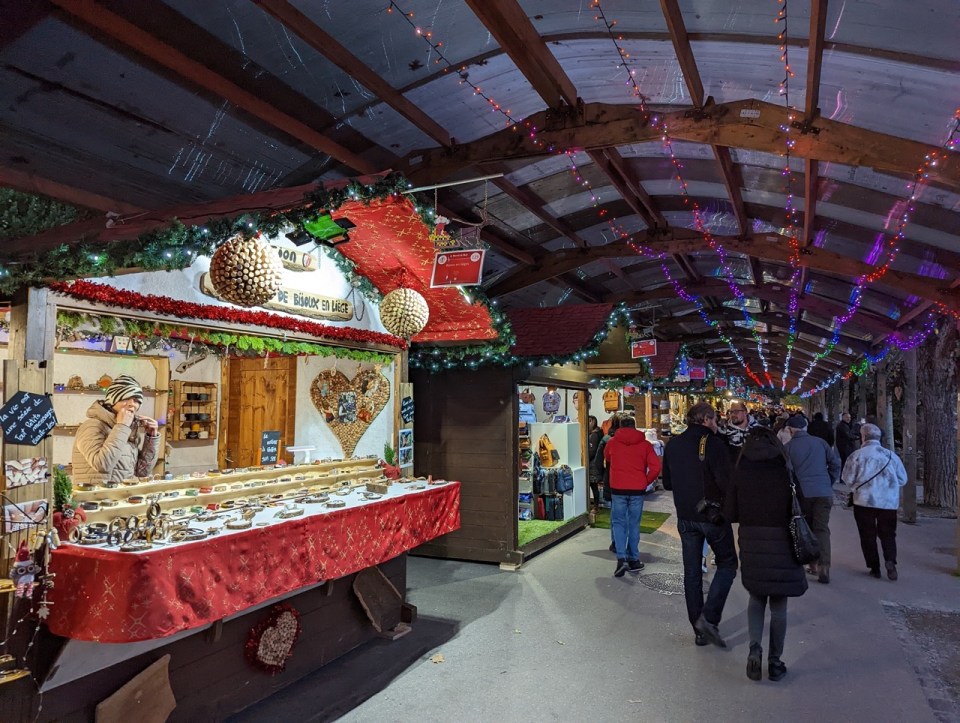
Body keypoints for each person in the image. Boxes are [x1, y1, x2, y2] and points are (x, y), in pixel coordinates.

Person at [725, 427, 808, 682]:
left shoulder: (741, 468)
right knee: (779, 603)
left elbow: (730, 512)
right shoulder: (784, 468)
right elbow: (801, 504)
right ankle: (775, 661)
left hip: (752, 539)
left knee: (756, 596)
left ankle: (754, 650)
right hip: (782, 539)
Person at [662, 402, 737, 648]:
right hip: (712, 516)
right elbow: (726, 481)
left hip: (686, 516)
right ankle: (709, 618)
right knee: (728, 564)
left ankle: (698, 630)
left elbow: (668, 483)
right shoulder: (714, 444)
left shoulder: (673, 444)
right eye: (714, 419)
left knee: (692, 573)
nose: (716, 423)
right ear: (705, 419)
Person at [842, 423, 908, 580]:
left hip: (864, 501)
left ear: (863, 437)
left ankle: (874, 566)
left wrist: (858, 487)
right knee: (888, 533)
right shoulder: (891, 456)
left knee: (867, 534)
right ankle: (890, 561)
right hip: (888, 502)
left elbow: (847, 478)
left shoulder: (856, 456)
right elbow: (902, 479)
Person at [71, 375, 160, 485]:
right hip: (96, 495)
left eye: (137, 400)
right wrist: (122, 426)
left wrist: (151, 438)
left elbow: (142, 472)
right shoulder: (91, 426)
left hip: (122, 494)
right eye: (126, 398)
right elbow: (102, 465)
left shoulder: (128, 429)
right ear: (112, 400)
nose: (132, 404)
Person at [784, 415, 841, 583]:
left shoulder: (788, 448)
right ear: (806, 427)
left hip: (803, 493)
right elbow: (835, 464)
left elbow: (787, 472)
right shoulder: (821, 443)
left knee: (806, 528)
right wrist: (828, 481)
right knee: (822, 529)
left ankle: (812, 563)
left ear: (790, 430)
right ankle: (825, 566)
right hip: (823, 491)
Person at [604, 417, 662, 577]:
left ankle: (621, 558)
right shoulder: (645, 445)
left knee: (618, 523)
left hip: (618, 488)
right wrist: (646, 481)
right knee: (634, 524)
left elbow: (607, 458)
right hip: (637, 489)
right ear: (634, 427)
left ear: (620, 427)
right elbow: (656, 467)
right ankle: (633, 559)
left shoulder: (612, 443)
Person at [587, 415, 603, 510]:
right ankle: (595, 505)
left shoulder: (594, 435)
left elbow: (592, 451)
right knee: (594, 486)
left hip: (592, 465)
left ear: (592, 422)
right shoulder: (598, 433)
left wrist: (585, 460)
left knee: (593, 486)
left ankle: (595, 506)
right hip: (596, 463)